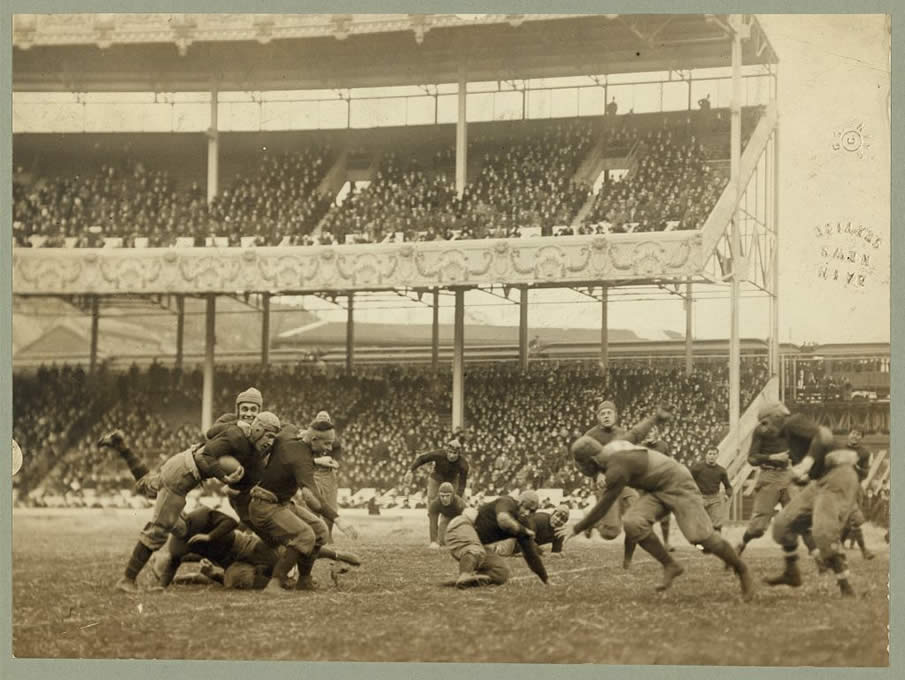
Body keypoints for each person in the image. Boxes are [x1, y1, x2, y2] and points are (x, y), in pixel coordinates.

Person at [567, 439, 753, 601]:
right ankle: (671, 565)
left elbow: (604, 505)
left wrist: (576, 528)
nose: (581, 469)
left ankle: (741, 568)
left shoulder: (616, 469)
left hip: (678, 484)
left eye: (581, 464)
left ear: (591, 461)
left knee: (701, 538)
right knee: (633, 523)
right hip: (656, 489)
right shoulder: (609, 453)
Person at [115, 412, 281, 593]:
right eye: (269, 435)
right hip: (183, 474)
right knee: (159, 529)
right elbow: (206, 455)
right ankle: (127, 579)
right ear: (257, 428)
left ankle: (121, 446)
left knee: (165, 510)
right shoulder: (237, 435)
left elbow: (252, 472)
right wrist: (224, 477)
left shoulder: (245, 443)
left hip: (181, 467)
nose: (270, 442)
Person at [763, 406, 865, 597]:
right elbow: (810, 469)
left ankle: (845, 586)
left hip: (838, 475)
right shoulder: (787, 437)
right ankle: (791, 573)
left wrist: (807, 462)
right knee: (782, 524)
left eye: (764, 422)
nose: (763, 428)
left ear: (776, 416)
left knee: (823, 533)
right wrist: (801, 475)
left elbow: (823, 434)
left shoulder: (793, 422)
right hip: (819, 482)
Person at [249, 418, 359, 593]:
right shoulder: (301, 459)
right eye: (327, 443)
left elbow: (285, 433)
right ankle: (275, 582)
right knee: (305, 534)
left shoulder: (289, 433)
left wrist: (316, 460)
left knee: (321, 531)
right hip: (265, 506)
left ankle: (304, 579)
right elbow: (312, 497)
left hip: (281, 503)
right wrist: (338, 519)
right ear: (314, 439)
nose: (329, 449)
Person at [148, 505, 360, 590]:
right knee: (236, 580)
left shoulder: (201, 515)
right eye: (170, 527)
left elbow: (230, 522)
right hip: (230, 562)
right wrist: (161, 586)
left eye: (175, 523)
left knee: (280, 555)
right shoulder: (176, 544)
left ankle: (335, 554)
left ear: (183, 515)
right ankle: (286, 583)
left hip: (243, 545)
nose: (174, 529)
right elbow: (173, 564)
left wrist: (208, 536)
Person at [575, 401, 672, 568]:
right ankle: (592, 520)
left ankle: (628, 560)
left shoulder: (622, 433)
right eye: (602, 413)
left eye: (609, 413)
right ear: (598, 417)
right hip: (605, 484)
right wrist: (597, 473)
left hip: (625, 483)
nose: (606, 416)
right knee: (610, 533)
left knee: (635, 519)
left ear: (615, 415)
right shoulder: (589, 436)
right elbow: (580, 462)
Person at [735, 403, 822, 567]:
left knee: (800, 516)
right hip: (769, 475)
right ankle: (741, 543)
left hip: (788, 475)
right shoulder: (761, 431)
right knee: (758, 527)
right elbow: (752, 458)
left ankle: (817, 555)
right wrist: (772, 457)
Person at [444, 490, 549, 588]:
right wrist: (524, 531)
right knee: (475, 550)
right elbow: (503, 520)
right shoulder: (507, 502)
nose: (527, 513)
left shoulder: (524, 524)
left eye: (532, 511)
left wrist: (545, 579)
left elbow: (531, 555)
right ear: (519, 503)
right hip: (462, 526)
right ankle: (465, 574)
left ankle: (470, 580)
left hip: (477, 541)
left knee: (500, 572)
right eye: (526, 508)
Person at [839, 428, 875, 560]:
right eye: (853, 433)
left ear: (862, 437)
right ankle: (864, 550)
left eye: (859, 434)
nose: (855, 436)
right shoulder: (839, 448)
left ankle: (841, 545)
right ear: (848, 434)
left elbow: (865, 474)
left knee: (853, 520)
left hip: (854, 487)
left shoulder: (864, 453)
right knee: (852, 519)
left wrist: (856, 467)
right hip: (839, 487)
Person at [403, 437, 469, 509]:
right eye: (450, 452)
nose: (452, 455)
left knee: (459, 499)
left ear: (459, 454)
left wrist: (458, 496)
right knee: (431, 498)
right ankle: (431, 515)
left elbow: (462, 483)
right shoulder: (439, 454)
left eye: (454, 453)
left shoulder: (463, 464)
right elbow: (422, 458)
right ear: (446, 451)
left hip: (452, 479)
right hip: (437, 477)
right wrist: (410, 470)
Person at [489, 505, 570, 557]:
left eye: (562, 519)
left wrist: (557, 553)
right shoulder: (540, 519)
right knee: (500, 552)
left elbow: (556, 552)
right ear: (553, 513)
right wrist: (543, 553)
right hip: (513, 536)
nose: (558, 520)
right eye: (557, 516)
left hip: (521, 545)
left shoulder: (559, 531)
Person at [690, 447, 732, 535]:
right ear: (706, 455)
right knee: (700, 525)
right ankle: (701, 547)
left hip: (714, 499)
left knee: (716, 525)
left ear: (717, 456)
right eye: (710, 454)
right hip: (700, 498)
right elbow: (689, 481)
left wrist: (727, 495)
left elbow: (728, 487)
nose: (712, 456)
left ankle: (717, 545)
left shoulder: (721, 471)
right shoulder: (697, 468)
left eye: (714, 454)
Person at [427, 482, 467, 549]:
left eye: (447, 496)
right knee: (443, 541)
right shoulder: (435, 504)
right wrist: (433, 541)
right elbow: (433, 523)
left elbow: (466, 521)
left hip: (458, 518)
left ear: (452, 495)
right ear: (439, 495)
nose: (445, 499)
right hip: (446, 517)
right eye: (442, 496)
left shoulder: (459, 503)